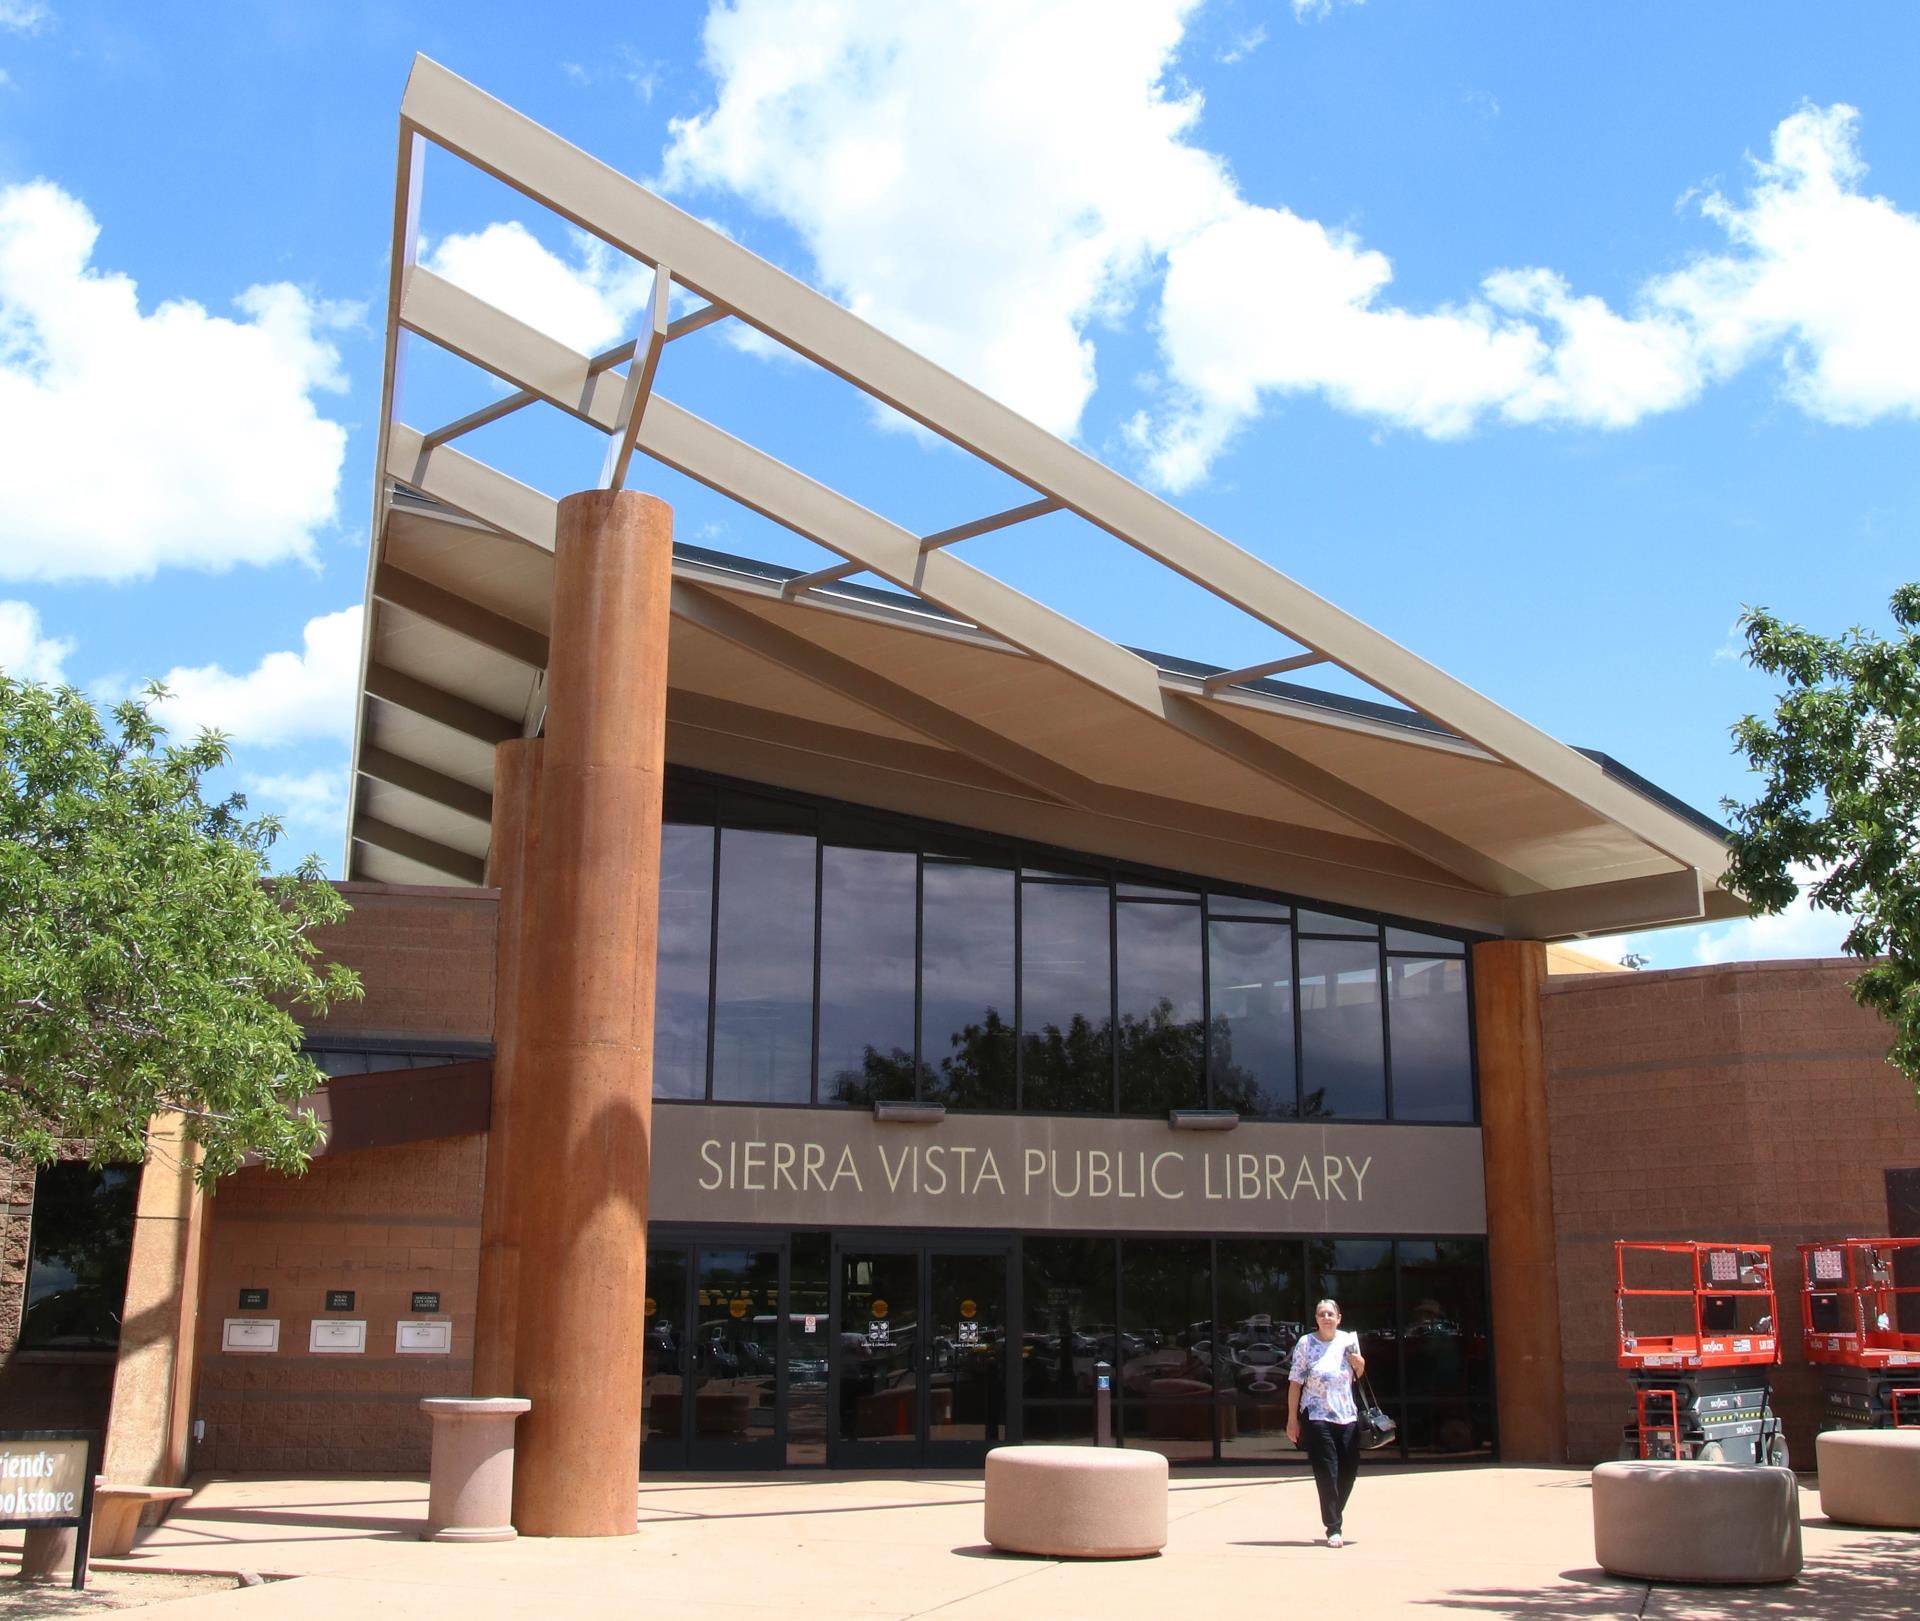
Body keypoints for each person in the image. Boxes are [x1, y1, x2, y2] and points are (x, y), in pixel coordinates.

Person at [1286, 1297, 1366, 1547]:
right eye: (1322, 1314)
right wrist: (1292, 1419)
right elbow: (1295, 1383)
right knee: (1327, 1472)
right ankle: (1334, 1527)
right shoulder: (1306, 1344)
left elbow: (1357, 1375)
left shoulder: (1348, 1340)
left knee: (1348, 1472)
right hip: (1317, 1415)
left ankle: (1335, 1513)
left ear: (1339, 1318)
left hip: (1347, 1415)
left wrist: (1360, 1364)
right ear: (1316, 1319)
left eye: (1330, 1314)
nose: (1326, 1318)